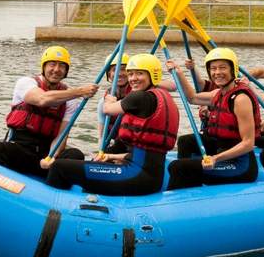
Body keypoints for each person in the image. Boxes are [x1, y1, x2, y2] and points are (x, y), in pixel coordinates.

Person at [44, 53, 179, 196]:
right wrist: (110, 157)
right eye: (131, 74)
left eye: (139, 74)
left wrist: (109, 100)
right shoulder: (162, 97)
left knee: (59, 167)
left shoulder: (139, 96)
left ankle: (50, 210)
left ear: (153, 75)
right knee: (94, 167)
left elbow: (107, 109)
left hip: (134, 176)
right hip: (149, 178)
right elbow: (142, 154)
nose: (133, 78)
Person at [0, 46, 99, 177]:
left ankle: (49, 175)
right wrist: (80, 92)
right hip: (21, 146)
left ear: (66, 71)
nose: (56, 70)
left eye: (62, 66)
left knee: (75, 155)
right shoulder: (25, 83)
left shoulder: (71, 100)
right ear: (43, 67)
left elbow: (61, 137)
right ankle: (38, 171)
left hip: (46, 151)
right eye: (52, 64)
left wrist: (50, 157)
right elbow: (42, 99)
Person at [166, 48, 261, 190]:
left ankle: (184, 186)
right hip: (220, 150)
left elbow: (248, 143)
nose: (217, 72)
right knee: (185, 141)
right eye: (213, 69)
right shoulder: (219, 93)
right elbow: (192, 98)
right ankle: (190, 185)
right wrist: (179, 73)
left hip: (240, 165)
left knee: (178, 167)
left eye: (222, 68)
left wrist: (216, 159)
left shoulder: (241, 99)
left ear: (233, 69)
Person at [96, 52, 131, 151]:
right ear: (109, 74)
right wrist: (101, 152)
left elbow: (172, 86)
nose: (119, 73)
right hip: (117, 147)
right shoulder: (103, 102)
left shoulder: (138, 95)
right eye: (115, 70)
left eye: (124, 69)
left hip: (134, 146)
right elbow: (102, 136)